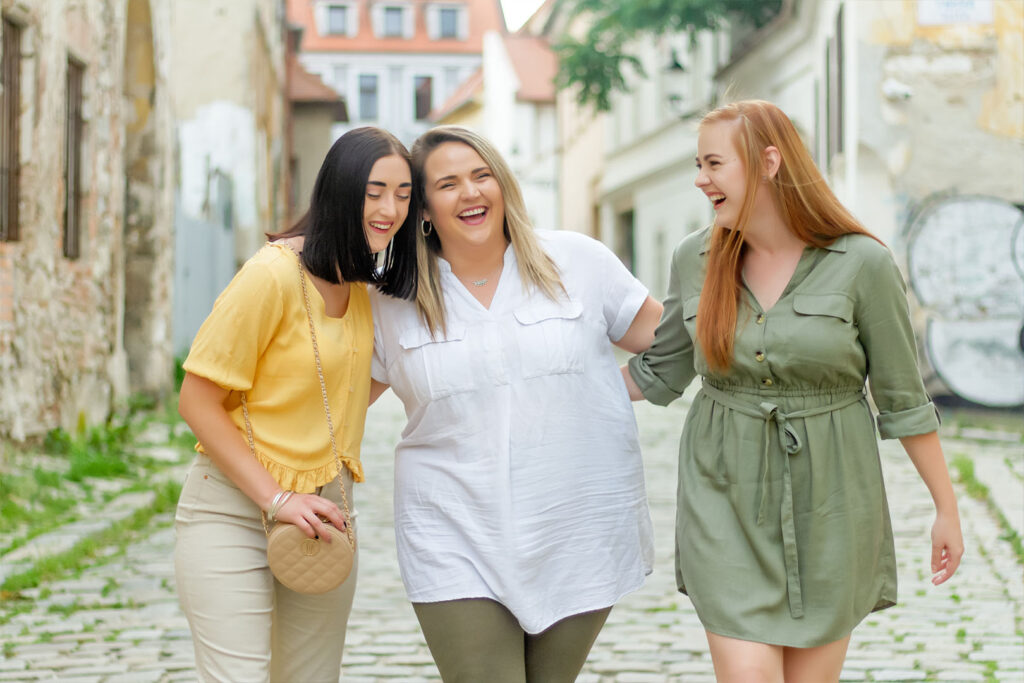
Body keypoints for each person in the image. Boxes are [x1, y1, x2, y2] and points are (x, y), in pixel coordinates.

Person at [624, 100, 964, 682]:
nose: (700, 179)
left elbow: (903, 399)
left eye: (713, 163)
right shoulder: (695, 258)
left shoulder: (863, 263)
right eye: (698, 164)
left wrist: (946, 508)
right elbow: (660, 371)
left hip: (832, 499)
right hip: (722, 491)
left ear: (769, 162)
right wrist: (552, 381)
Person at [367, 125, 663, 682]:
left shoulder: (578, 261)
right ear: (424, 210)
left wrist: (621, 386)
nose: (472, 193)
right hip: (451, 530)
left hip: (575, 528)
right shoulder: (391, 299)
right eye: (449, 184)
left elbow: (676, 341)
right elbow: (337, 402)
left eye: (482, 176)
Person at [173, 126, 418, 682]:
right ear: (339, 189)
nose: (390, 209)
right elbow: (196, 400)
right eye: (375, 190)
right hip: (232, 510)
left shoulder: (364, 291)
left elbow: (357, 385)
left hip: (324, 516)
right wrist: (277, 497)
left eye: (404, 195)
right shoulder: (271, 274)